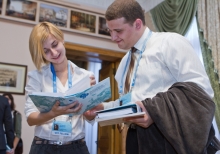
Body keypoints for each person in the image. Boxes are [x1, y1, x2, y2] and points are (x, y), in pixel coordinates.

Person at [84, 0, 220, 153]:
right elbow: (130, 102)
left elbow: (201, 92)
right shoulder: (124, 64)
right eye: (110, 31)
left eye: (118, 31)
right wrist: (101, 109)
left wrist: (154, 111)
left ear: (137, 24)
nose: (113, 38)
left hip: (168, 138)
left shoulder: (170, 43)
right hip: (136, 138)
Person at [25, 22, 95, 154]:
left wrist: (90, 108)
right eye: (46, 51)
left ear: (62, 39)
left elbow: (90, 117)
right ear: (42, 54)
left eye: (55, 44)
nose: (54, 52)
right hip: (43, 147)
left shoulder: (86, 76)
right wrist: (53, 113)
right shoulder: (36, 77)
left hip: (76, 147)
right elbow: (30, 119)